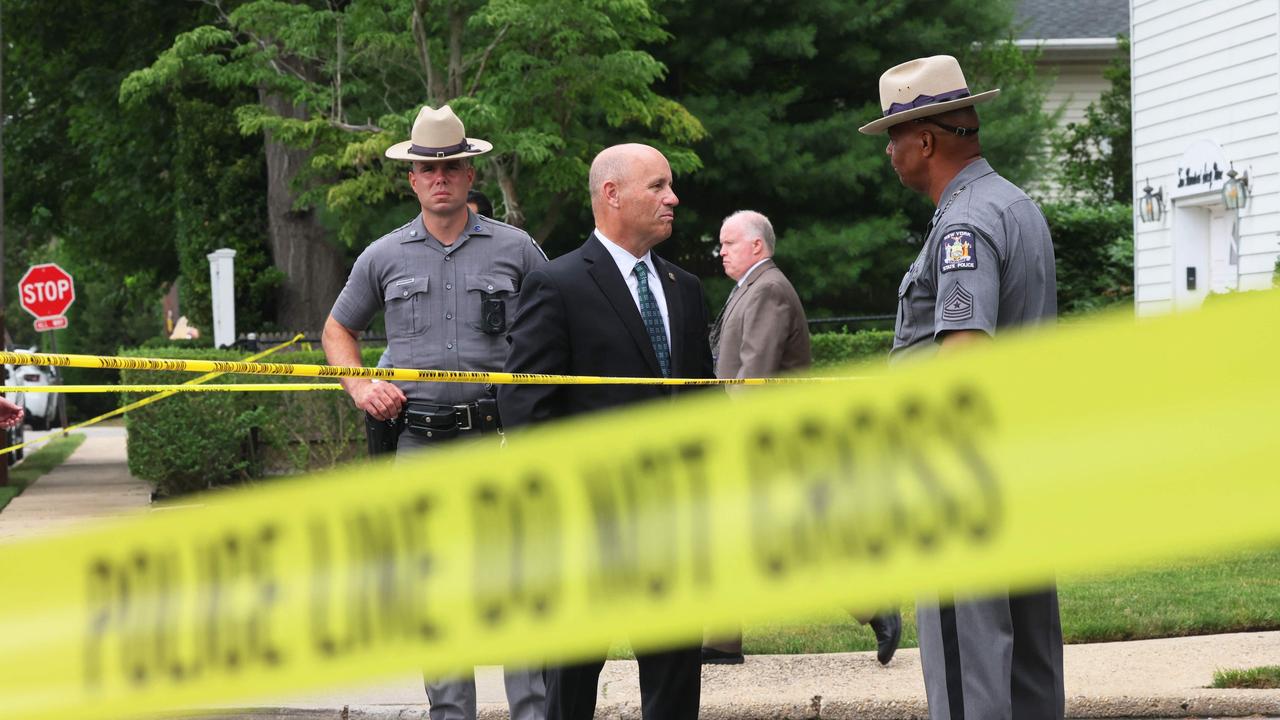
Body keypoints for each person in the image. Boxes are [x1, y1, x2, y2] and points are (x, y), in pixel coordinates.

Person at [322, 104, 548, 720]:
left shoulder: (517, 249)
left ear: (470, 173)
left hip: (499, 445)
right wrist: (360, 385)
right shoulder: (383, 256)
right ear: (412, 179)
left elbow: (555, 325)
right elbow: (338, 330)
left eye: (451, 165)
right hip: (418, 446)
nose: (440, 176)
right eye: (428, 167)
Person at [859, 55, 1063, 718]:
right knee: (1029, 673)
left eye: (893, 137)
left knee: (968, 677)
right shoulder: (1016, 205)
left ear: (925, 140)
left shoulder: (964, 227)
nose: (888, 152)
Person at [499, 143, 714, 720]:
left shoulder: (684, 288)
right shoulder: (558, 283)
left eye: (670, 186)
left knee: (673, 679)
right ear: (611, 195)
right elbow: (526, 410)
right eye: (658, 186)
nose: (673, 198)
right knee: (570, 681)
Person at [702, 210, 901, 667]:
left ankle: (875, 606)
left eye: (728, 243)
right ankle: (721, 638)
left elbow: (756, 373)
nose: (722, 252)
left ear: (757, 245)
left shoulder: (768, 288)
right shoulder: (752, 287)